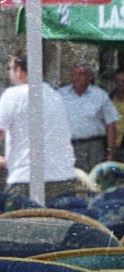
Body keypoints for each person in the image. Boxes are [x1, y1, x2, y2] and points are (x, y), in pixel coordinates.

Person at [0, 53, 77, 203]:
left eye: (9, 68)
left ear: (19, 70)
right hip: (63, 178)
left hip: (26, 180)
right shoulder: (55, 95)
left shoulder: (14, 95)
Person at [57, 61, 117, 171]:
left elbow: (111, 124)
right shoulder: (61, 94)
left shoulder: (100, 95)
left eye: (81, 74)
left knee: (92, 181)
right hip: (69, 146)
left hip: (93, 146)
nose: (76, 78)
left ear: (89, 77)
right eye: (74, 74)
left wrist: (110, 153)